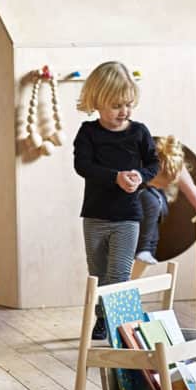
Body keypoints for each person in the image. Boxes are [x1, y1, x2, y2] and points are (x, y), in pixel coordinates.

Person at [73, 61, 159, 340]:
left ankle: (123, 327)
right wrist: (115, 178)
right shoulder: (88, 133)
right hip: (95, 216)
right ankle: (102, 319)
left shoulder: (139, 132)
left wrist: (140, 176)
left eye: (129, 104)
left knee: (120, 274)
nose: (124, 111)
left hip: (127, 218)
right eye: (116, 105)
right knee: (98, 273)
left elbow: (154, 164)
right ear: (97, 102)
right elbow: (83, 166)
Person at [134, 135, 196, 265]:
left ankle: (147, 252)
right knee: (150, 201)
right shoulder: (136, 163)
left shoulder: (175, 165)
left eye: (169, 183)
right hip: (131, 209)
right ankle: (142, 249)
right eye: (162, 183)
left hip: (151, 210)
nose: (166, 186)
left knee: (156, 204)